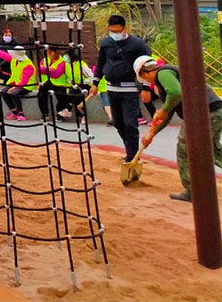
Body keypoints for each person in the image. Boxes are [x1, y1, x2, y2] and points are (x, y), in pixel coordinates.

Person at [135, 55, 222, 202]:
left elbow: (175, 93)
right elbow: (168, 114)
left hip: (200, 114)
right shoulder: (169, 77)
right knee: (212, 149)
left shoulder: (163, 73)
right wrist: (152, 133)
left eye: (143, 78)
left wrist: (163, 109)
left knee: (184, 149)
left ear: (145, 73)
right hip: (215, 110)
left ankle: (193, 191)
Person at [88, 15, 150, 162]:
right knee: (118, 123)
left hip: (129, 89)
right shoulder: (106, 43)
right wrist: (95, 83)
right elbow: (101, 62)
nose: (115, 33)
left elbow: (147, 64)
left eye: (118, 30)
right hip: (112, 89)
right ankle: (130, 149)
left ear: (124, 28)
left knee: (130, 124)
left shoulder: (137, 44)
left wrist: (146, 87)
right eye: (112, 30)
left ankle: (132, 156)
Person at [0, 44, 36, 121]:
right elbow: (4, 55)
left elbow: (24, 81)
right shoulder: (14, 60)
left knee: (14, 93)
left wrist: (14, 88)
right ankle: (14, 112)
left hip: (26, 86)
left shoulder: (28, 65)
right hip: (15, 83)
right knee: (3, 91)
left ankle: (21, 113)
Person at [36, 46, 83, 121]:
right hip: (46, 82)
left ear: (55, 52)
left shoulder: (63, 62)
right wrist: (49, 69)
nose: (48, 54)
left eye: (50, 52)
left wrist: (45, 70)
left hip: (59, 84)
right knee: (41, 95)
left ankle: (59, 114)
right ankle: (44, 114)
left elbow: (56, 74)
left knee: (61, 97)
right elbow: (38, 69)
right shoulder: (45, 60)